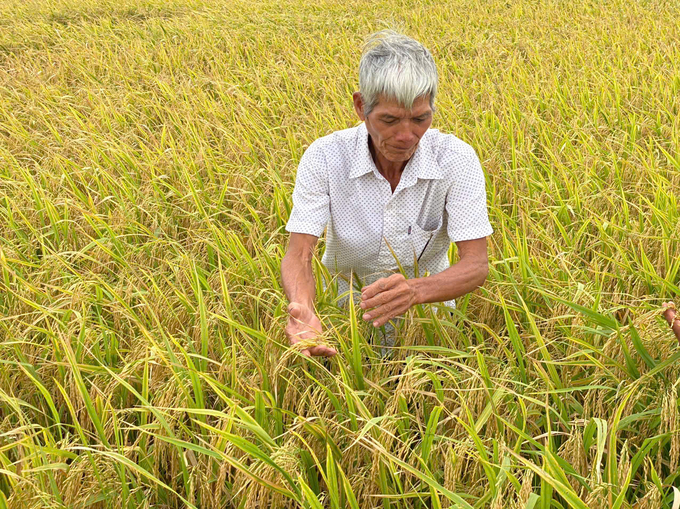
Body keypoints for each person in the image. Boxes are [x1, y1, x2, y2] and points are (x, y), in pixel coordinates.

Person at [280, 30, 493, 357]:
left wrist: (415, 291)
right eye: (389, 120)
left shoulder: (455, 159)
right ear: (361, 106)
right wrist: (303, 307)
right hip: (345, 314)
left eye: (420, 118)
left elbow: (476, 264)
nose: (406, 136)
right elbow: (300, 252)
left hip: (430, 321)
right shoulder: (325, 157)